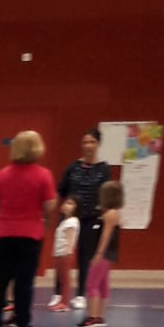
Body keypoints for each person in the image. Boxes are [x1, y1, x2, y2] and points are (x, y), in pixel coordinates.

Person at [0, 131, 57, 327]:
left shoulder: (2, 174)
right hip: (30, 234)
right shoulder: (43, 175)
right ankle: (22, 324)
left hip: (4, 234)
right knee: (24, 281)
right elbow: (48, 206)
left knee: (2, 280)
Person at [57, 129, 113, 306]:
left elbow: (106, 194)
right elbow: (62, 190)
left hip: (91, 218)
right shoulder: (72, 168)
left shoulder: (104, 169)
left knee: (84, 256)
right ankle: (59, 293)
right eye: (85, 142)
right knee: (62, 254)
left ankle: (80, 294)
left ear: (98, 144)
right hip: (70, 218)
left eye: (92, 142)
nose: (88, 146)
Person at [78, 181, 123, 327]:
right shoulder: (112, 213)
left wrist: (98, 253)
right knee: (103, 285)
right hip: (109, 253)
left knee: (91, 284)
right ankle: (99, 316)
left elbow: (106, 235)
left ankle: (92, 317)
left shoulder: (110, 215)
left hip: (104, 253)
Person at [48, 196, 79, 312]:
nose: (66, 205)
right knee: (61, 279)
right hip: (59, 253)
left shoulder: (72, 222)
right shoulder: (64, 222)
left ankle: (65, 303)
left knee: (65, 279)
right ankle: (62, 301)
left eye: (70, 204)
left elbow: (70, 240)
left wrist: (68, 252)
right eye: (66, 203)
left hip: (65, 254)